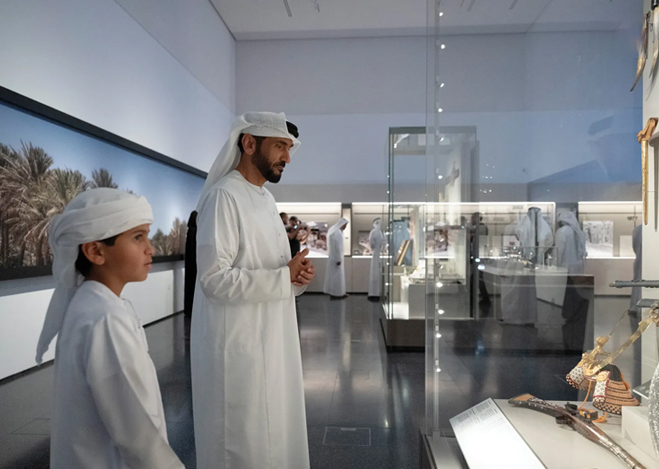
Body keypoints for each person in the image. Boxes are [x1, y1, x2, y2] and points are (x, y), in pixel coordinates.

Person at [191, 112, 315, 469]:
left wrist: (295, 277)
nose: (287, 158)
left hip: (273, 341)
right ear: (248, 144)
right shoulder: (224, 196)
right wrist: (282, 278)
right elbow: (214, 279)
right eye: (279, 147)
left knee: (274, 434)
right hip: (239, 347)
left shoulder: (264, 199)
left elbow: (273, 269)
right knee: (242, 443)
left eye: (289, 149)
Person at [35, 188, 184, 469]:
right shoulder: (104, 319)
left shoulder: (94, 305)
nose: (150, 249)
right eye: (138, 237)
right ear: (95, 251)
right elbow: (137, 436)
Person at [324, 217, 348, 298]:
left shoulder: (333, 231)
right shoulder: (337, 233)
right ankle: (337, 293)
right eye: (345, 225)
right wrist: (338, 259)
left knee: (334, 276)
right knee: (337, 277)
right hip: (336, 258)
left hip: (333, 257)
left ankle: (337, 292)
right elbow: (338, 247)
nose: (345, 227)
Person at [367, 218, 384, 300]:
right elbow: (383, 243)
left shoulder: (373, 232)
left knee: (374, 273)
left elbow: (371, 243)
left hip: (375, 255)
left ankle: (373, 293)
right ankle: (376, 292)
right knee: (377, 273)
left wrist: (374, 249)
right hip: (378, 254)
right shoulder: (380, 233)